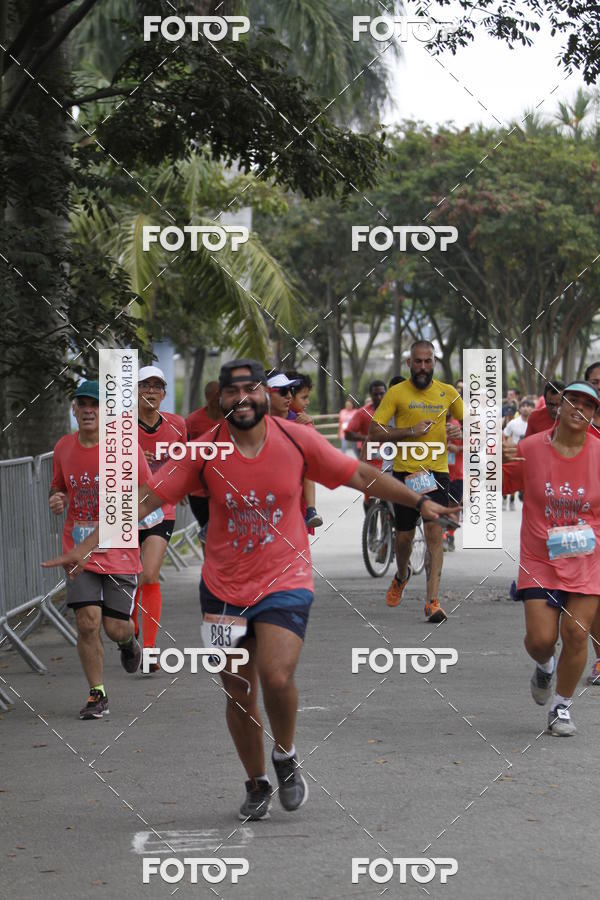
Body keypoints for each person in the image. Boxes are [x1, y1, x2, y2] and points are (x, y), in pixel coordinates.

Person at [46, 359, 452, 818]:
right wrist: (89, 545)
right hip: (223, 589)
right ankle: (257, 781)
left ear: (265, 395)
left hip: (284, 579)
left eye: (251, 388)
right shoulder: (203, 452)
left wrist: (420, 501)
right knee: (238, 690)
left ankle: (285, 754)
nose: (242, 396)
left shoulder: (297, 439)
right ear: (219, 399)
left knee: (276, 675)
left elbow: (357, 474)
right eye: (231, 389)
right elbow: (146, 499)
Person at [502, 382, 600, 735]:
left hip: (589, 555)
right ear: (558, 407)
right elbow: (495, 485)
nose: (579, 408)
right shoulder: (529, 449)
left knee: (576, 632)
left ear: (593, 415)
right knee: (542, 639)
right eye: (573, 400)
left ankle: (561, 707)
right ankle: (545, 665)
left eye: (588, 405)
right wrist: (493, 458)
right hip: (540, 555)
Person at [48, 380, 148, 718]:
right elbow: (59, 487)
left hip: (118, 549)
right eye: (82, 404)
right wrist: (58, 498)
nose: (89, 410)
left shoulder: (124, 448)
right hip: (79, 550)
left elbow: (145, 493)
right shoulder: (63, 447)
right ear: (74, 409)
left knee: (114, 627)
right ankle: (97, 693)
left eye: (95, 404)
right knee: (87, 622)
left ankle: (127, 641)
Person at [368, 341, 462, 623]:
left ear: (434, 363)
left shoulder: (448, 392)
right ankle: (402, 574)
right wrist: (410, 431)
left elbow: (473, 422)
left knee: (435, 534)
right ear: (409, 363)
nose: (423, 367)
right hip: (405, 475)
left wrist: (461, 432)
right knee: (404, 538)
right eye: (418, 362)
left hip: (436, 475)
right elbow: (374, 431)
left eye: (428, 361)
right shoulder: (396, 393)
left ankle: (432, 601)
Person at [134, 366, 187, 671]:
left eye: (157, 386)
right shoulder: (121, 427)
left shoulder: (177, 425)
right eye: (145, 385)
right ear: (136, 391)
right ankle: (131, 632)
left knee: (150, 573)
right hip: (126, 508)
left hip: (161, 509)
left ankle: (150, 651)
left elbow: (188, 461)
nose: (151, 391)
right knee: (130, 577)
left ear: (165, 393)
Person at [267, 371, 323, 529]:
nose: (288, 396)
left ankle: (311, 510)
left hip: (295, 498)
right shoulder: (253, 423)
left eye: (290, 391)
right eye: (283, 391)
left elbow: (316, 451)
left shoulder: (302, 421)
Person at [186, 381, 222, 542]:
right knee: (206, 534)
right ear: (208, 397)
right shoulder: (193, 421)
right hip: (199, 490)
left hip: (223, 487)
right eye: (216, 395)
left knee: (218, 532)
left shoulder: (233, 419)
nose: (219, 398)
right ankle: (208, 566)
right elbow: (183, 453)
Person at [286, 370, 323, 528]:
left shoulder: (303, 419)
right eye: (304, 397)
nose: (307, 402)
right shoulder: (266, 417)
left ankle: (311, 510)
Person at [502, 398, 534, 510]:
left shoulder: (534, 424)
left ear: (533, 409)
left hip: (530, 457)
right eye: (523, 406)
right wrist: (506, 448)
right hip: (514, 455)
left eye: (528, 406)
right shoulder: (513, 423)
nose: (526, 408)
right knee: (510, 478)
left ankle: (516, 500)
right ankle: (506, 499)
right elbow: (505, 436)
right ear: (519, 409)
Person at [345, 380, 387, 457]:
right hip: (371, 458)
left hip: (392, 458)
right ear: (370, 395)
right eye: (375, 394)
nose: (379, 397)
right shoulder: (362, 413)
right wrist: (367, 438)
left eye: (381, 394)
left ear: (386, 394)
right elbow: (348, 434)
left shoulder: (395, 411)